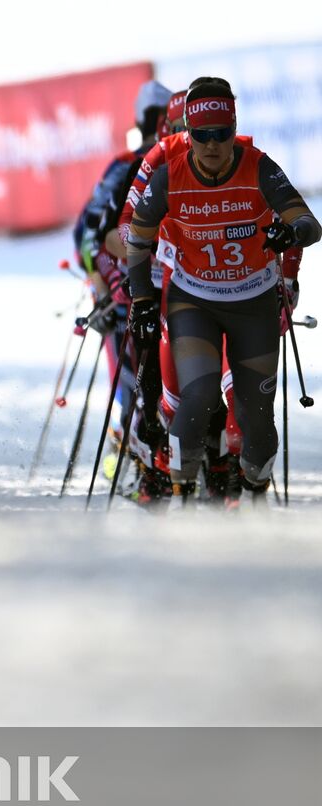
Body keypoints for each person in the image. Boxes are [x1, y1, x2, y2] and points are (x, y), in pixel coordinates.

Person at [124, 79, 319, 504]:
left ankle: (251, 489)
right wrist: (141, 297)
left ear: (235, 128)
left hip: (252, 301)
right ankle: (179, 494)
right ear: (186, 134)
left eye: (222, 134)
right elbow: (135, 239)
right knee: (197, 398)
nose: (212, 145)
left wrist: (290, 233)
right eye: (201, 135)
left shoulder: (259, 166)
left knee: (255, 421)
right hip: (193, 299)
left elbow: (309, 224)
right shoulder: (168, 174)